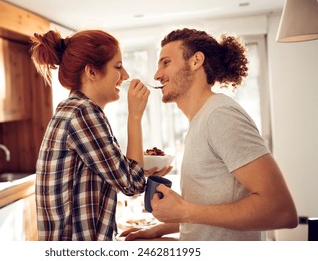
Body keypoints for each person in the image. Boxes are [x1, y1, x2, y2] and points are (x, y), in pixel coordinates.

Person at [122, 28, 298, 241]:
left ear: (196, 61)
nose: (157, 75)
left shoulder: (220, 115)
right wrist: (160, 229)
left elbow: (280, 211)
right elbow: (213, 209)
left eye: (166, 62)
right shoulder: (201, 119)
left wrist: (185, 211)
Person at [30, 29, 170, 241]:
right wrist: (135, 116)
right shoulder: (83, 113)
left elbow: (116, 173)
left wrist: (142, 172)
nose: (125, 76)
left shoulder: (71, 108)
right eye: (118, 67)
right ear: (92, 72)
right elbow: (132, 186)